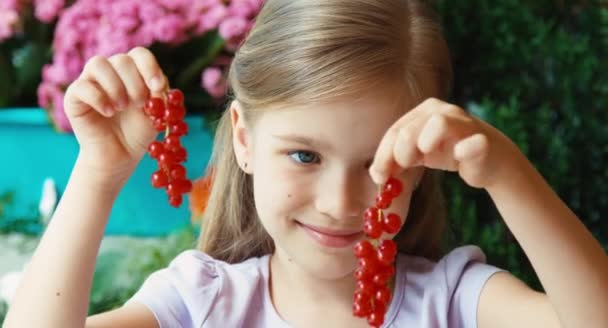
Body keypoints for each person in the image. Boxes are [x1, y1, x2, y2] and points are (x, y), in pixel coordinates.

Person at [4, 0, 608, 327]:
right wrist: (99, 172)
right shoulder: (199, 305)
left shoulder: (454, 303)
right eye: (303, 154)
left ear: (427, 162)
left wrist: (507, 171)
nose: (341, 202)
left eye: (378, 164)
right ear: (242, 138)